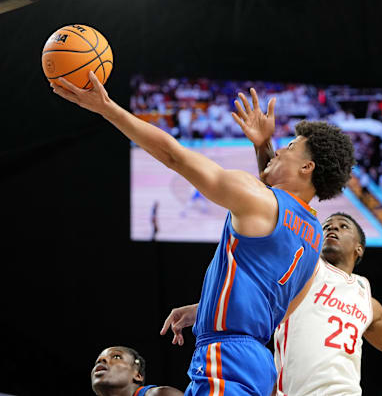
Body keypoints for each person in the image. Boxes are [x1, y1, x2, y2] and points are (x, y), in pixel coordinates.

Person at [162, 93, 382, 396]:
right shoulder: (305, 265)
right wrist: (202, 307)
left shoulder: (367, 301)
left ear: (360, 248)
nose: (332, 228)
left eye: (343, 225)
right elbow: (276, 210)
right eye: (330, 223)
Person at [53, 77, 355, 396]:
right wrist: (205, 307)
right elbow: (276, 308)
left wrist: (107, 108)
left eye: (290, 147)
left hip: (225, 358)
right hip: (260, 366)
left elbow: (175, 156)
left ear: (307, 166)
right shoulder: (312, 241)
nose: (280, 148)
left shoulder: (258, 199)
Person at [91, 346, 183, 396]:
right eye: (97, 361)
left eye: (116, 357)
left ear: (137, 375)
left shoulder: (159, 394)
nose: (101, 360)